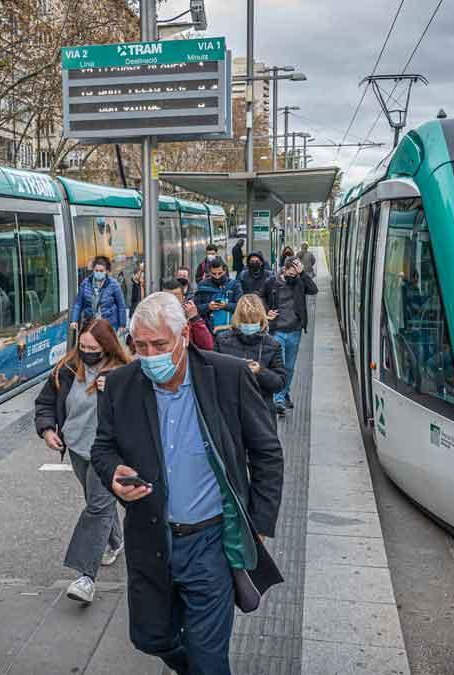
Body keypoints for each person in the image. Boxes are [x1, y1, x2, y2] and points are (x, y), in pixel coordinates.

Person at [90, 292, 284, 675]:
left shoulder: (228, 376)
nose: (149, 355)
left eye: (159, 344)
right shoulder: (121, 385)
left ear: (183, 338)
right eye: (140, 345)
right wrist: (112, 473)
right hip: (150, 540)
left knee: (209, 658)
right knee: (151, 639)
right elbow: (103, 447)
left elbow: (267, 453)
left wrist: (258, 524)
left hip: (210, 542)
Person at [34, 318, 132, 604]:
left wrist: (115, 388)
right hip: (77, 448)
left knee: (97, 507)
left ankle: (85, 578)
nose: (87, 351)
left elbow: (140, 409)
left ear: (107, 346)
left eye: (93, 347)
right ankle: (115, 541)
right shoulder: (66, 369)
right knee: (98, 502)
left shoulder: (125, 372)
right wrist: (48, 429)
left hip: (110, 453)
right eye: (83, 346)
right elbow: (45, 403)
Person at [215, 295, 287, 417]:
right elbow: (212, 375)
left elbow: (279, 384)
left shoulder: (273, 345)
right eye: (244, 321)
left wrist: (260, 371)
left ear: (261, 320)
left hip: (261, 412)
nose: (249, 325)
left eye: (253, 322)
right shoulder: (222, 340)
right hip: (230, 411)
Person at [262, 257, 319, 411]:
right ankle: (279, 399)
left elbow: (314, 290)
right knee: (280, 365)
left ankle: (284, 393)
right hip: (277, 330)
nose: (292, 276)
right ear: (284, 270)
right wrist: (267, 311)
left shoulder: (300, 281)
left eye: (295, 273)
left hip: (294, 330)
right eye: (290, 273)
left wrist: (303, 274)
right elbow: (260, 296)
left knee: (289, 367)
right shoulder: (272, 282)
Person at [70, 256, 128, 334]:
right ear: (93, 270)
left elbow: (121, 306)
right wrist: (74, 320)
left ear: (106, 271)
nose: (98, 273)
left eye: (101, 271)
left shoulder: (114, 285)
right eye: (96, 270)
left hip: (109, 325)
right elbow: (78, 303)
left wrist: (122, 325)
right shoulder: (85, 283)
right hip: (91, 324)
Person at [193, 258, 244, 335]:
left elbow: (241, 307)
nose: (217, 277)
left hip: (231, 329)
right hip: (208, 329)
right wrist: (208, 307)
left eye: (220, 273)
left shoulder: (235, 285)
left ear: (225, 271)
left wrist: (226, 306)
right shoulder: (202, 285)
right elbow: (195, 308)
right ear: (209, 272)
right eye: (214, 274)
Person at [163, 279, 214, 350]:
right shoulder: (154, 316)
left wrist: (195, 318)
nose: (171, 302)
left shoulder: (190, 317)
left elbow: (207, 345)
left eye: (175, 298)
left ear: (183, 299)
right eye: (167, 298)